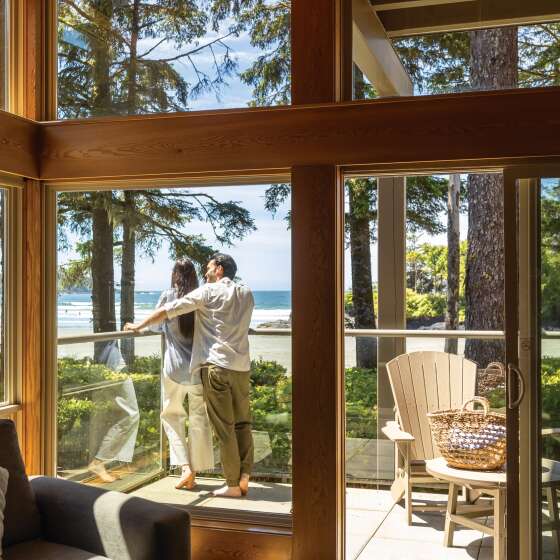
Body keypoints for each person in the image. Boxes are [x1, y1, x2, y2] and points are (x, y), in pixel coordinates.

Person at [125, 253, 254, 498]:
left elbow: (168, 310)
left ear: (218, 269)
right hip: (241, 367)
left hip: (210, 366)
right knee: (237, 422)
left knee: (218, 425)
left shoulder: (206, 292)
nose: (206, 272)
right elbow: (241, 322)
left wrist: (138, 326)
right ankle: (244, 474)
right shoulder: (246, 292)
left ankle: (224, 481)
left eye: (209, 268)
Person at [151, 259, 215, 490]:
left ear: (174, 275)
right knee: (199, 419)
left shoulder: (168, 297)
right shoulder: (201, 297)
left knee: (172, 415)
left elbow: (154, 326)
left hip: (174, 369)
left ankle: (185, 468)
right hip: (198, 370)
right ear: (195, 276)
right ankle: (195, 471)